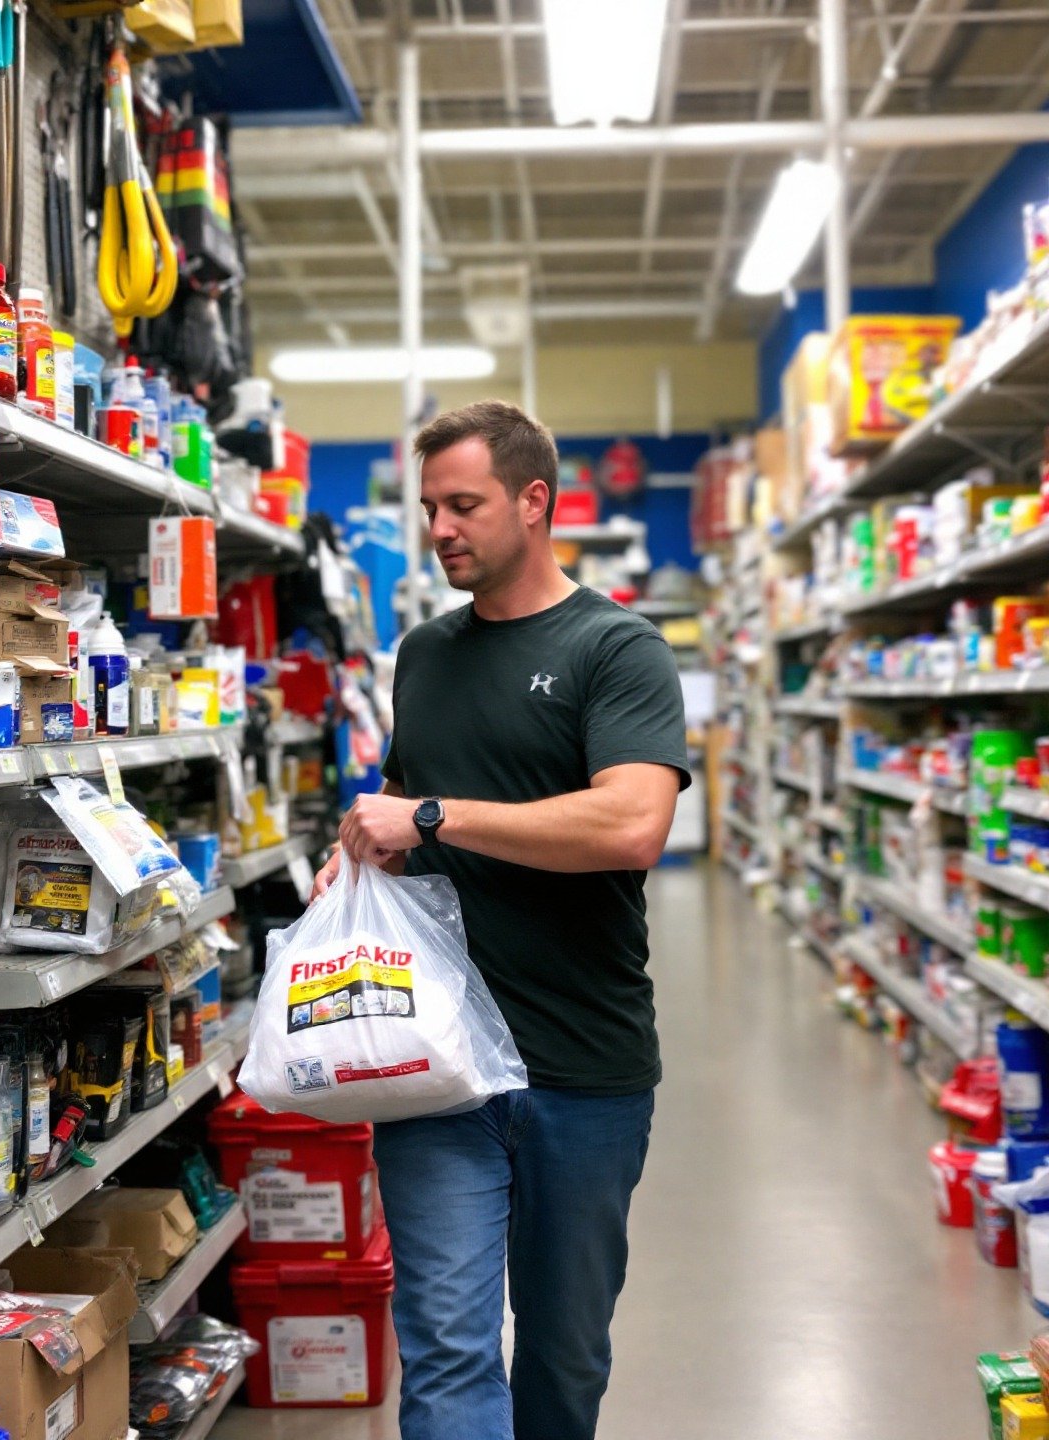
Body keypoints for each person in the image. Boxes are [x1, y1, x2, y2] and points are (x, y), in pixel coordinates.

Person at [311, 400, 689, 1440]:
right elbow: (408, 801)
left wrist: (434, 815)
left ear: (535, 501)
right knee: (445, 1348)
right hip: (435, 1064)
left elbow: (631, 824)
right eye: (431, 506)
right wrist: (364, 851)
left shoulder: (617, 648)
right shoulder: (424, 654)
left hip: (583, 1063)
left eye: (463, 504)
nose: (440, 528)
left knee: (563, 1359)